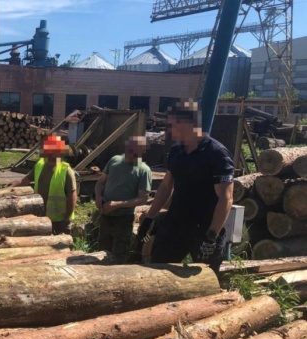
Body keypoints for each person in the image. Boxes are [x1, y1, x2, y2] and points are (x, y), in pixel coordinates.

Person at [137, 100, 234, 274]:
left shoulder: (216, 153)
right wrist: (150, 218)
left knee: (207, 278)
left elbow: (225, 198)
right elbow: (166, 187)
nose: (169, 130)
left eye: (172, 125)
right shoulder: (177, 151)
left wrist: (212, 236)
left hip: (204, 227)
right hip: (176, 222)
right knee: (159, 270)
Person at [94, 136, 152, 264]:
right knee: (101, 251)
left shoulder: (144, 170)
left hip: (123, 219)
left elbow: (143, 198)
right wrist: (98, 197)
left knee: (119, 254)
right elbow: (100, 183)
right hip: (106, 215)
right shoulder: (114, 160)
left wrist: (118, 205)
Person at [11, 135, 77, 234]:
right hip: (40, 217)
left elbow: (73, 197)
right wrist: (9, 189)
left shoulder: (66, 170)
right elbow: (25, 180)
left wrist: (66, 219)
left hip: (59, 221)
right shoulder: (40, 165)